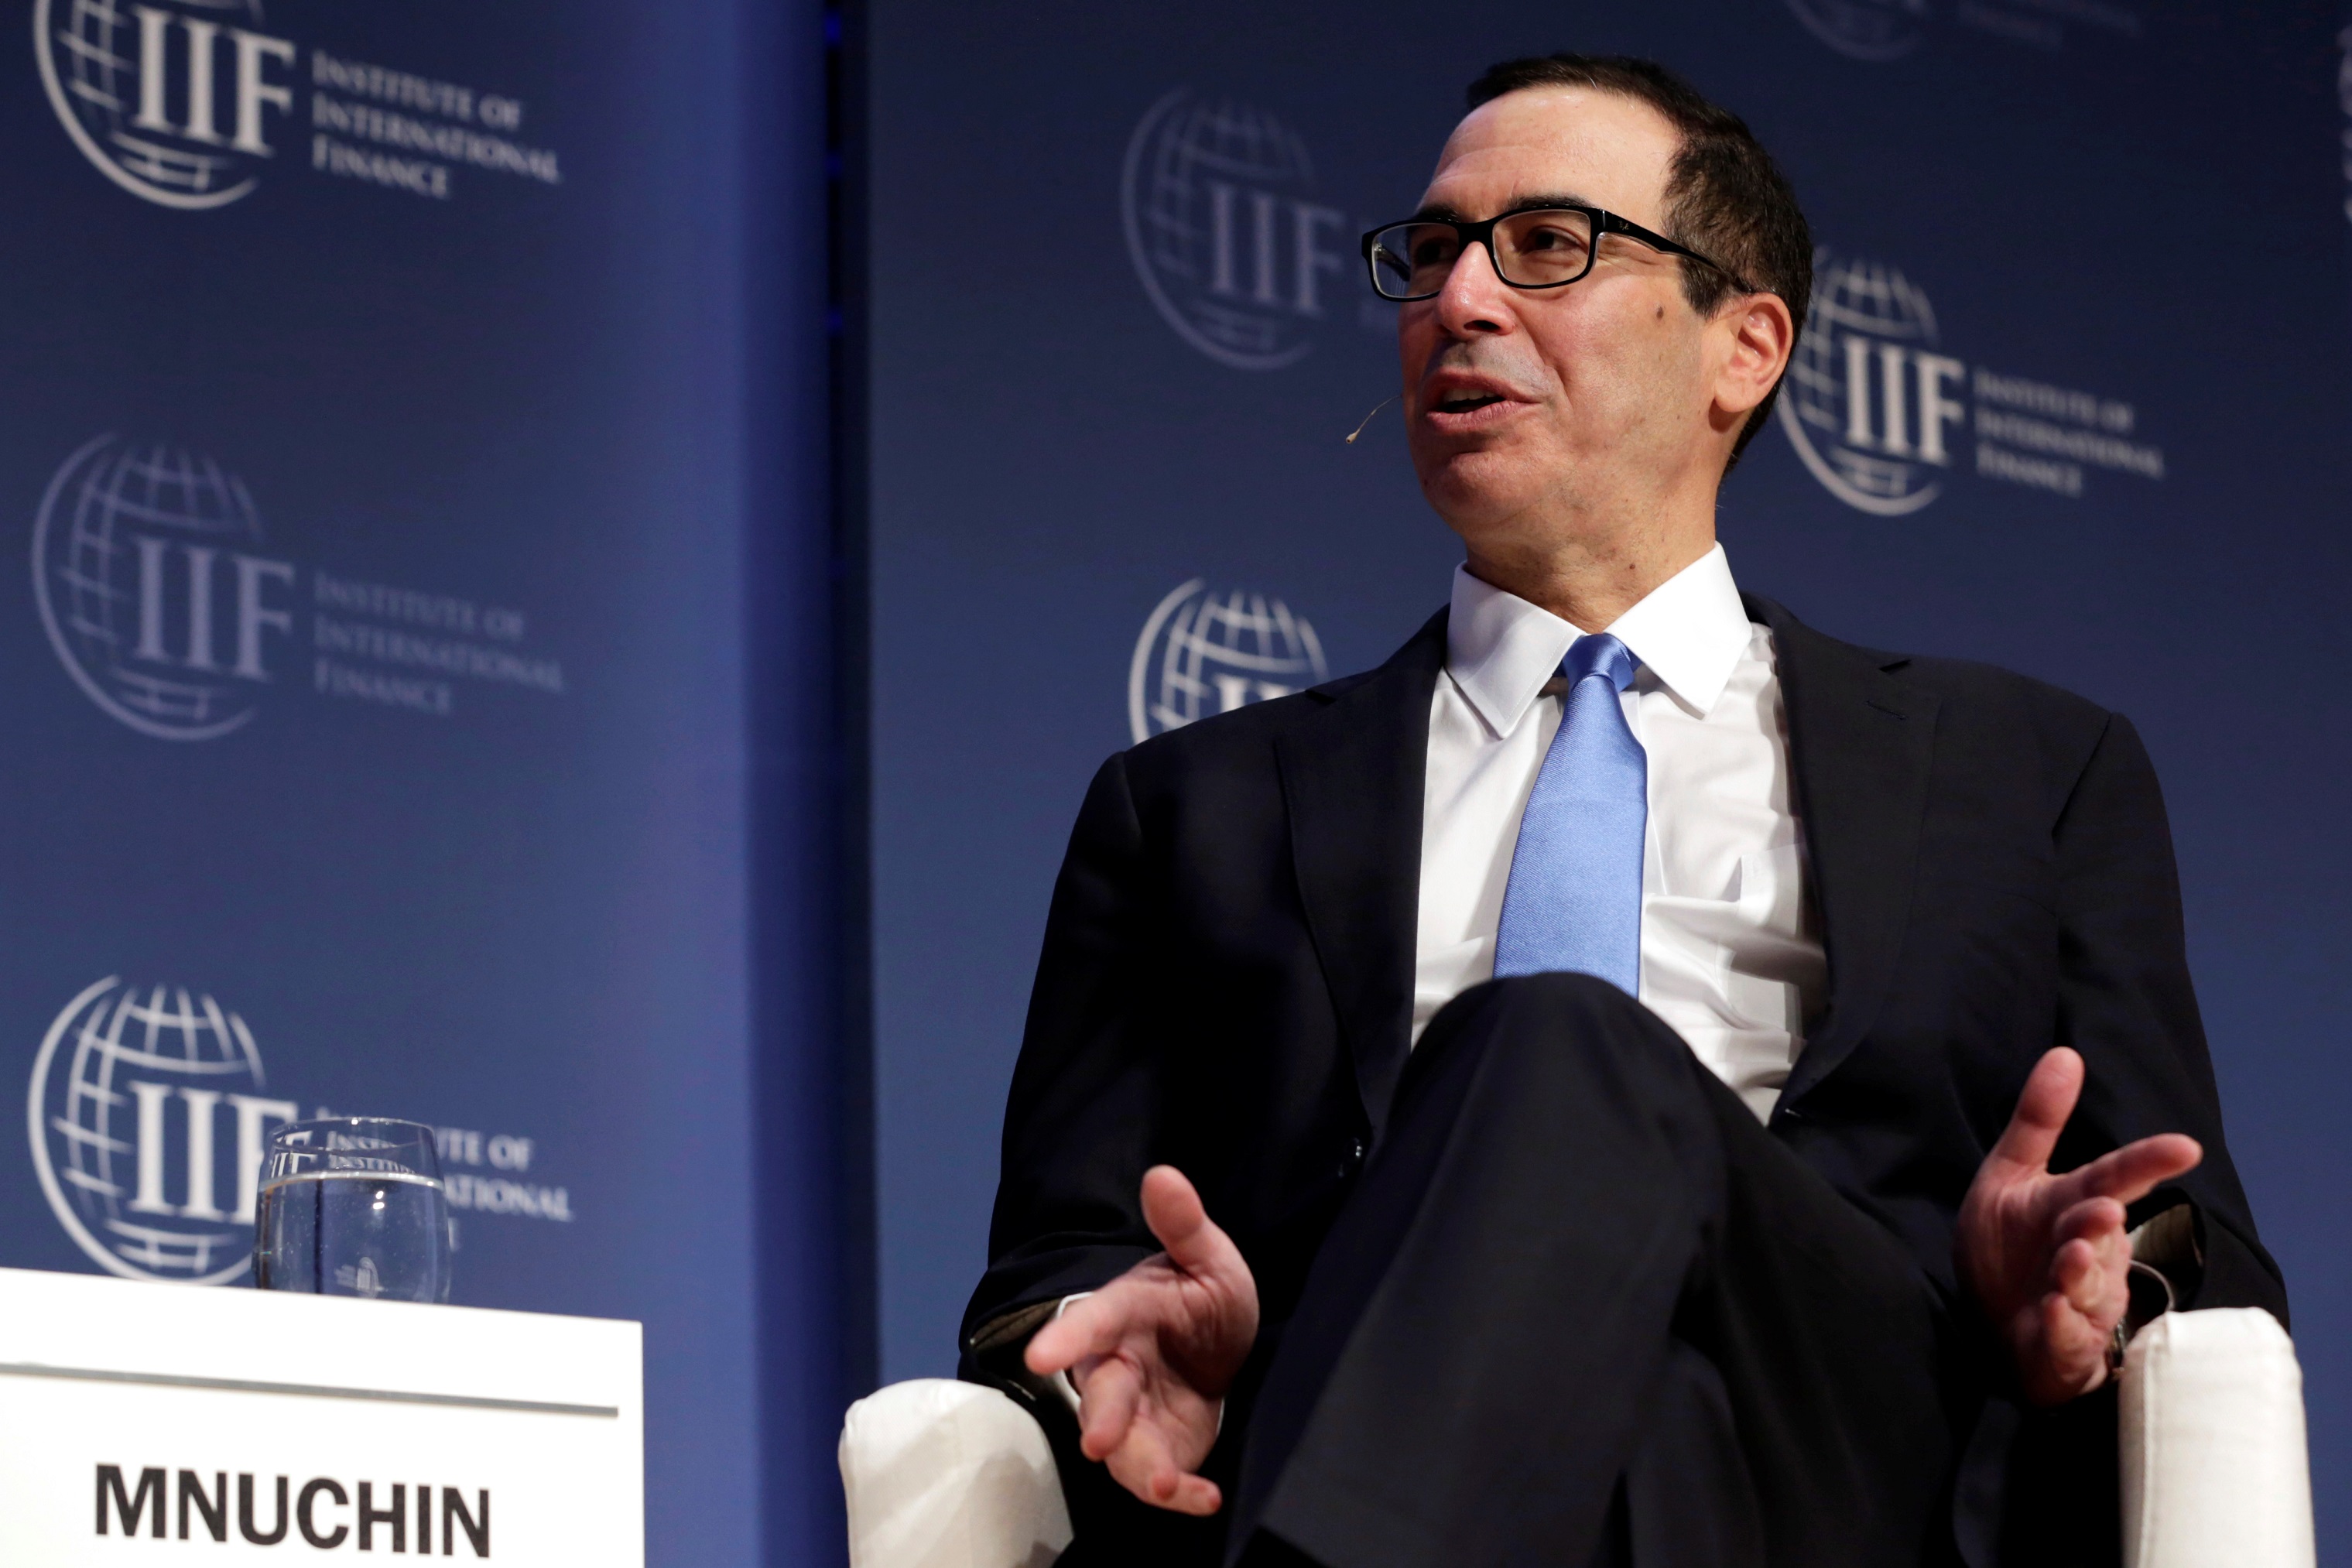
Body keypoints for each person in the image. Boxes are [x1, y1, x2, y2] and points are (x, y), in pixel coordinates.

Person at [960, 53, 2285, 1568]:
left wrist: (2081, 1297)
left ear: (1744, 346)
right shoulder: (1189, 807)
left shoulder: (2026, 769)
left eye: (1545, 244)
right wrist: (1136, 1344)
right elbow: (1044, 1274)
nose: (1459, 299)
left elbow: (2200, 1245)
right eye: (1431, 251)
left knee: (1552, 1039)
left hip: (1857, 1455)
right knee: (1600, 1278)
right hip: (1380, 1433)